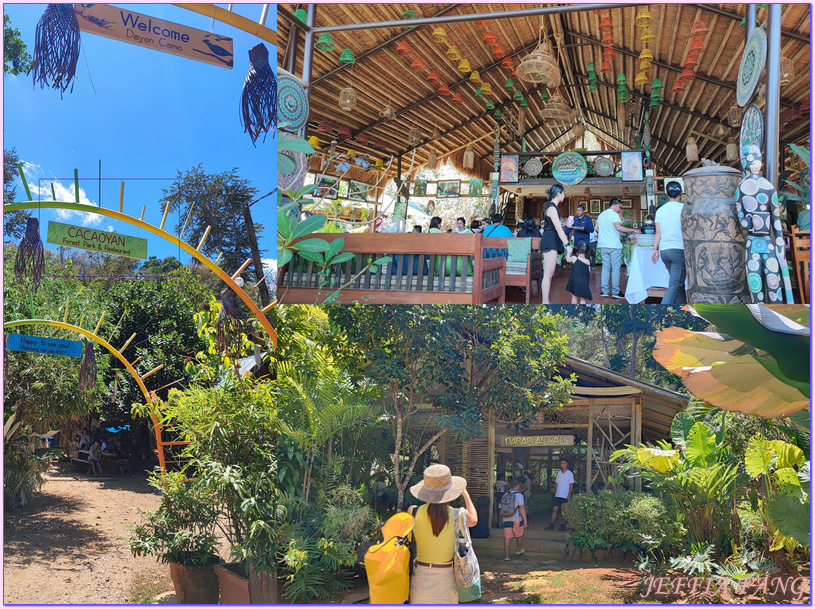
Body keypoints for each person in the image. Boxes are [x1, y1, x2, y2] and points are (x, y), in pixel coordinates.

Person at [407, 464, 477, 605]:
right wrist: (465, 494)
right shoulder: (458, 515)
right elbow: (474, 520)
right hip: (446, 578)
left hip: (420, 576)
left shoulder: (412, 512)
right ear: (450, 491)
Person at [651, 181, 687, 304]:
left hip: (665, 251)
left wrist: (655, 249)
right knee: (674, 285)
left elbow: (658, 232)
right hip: (679, 250)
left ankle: (684, 310)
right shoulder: (684, 209)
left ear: (667, 194)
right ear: (681, 193)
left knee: (679, 284)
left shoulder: (660, 210)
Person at [596, 198, 639, 298]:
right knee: (615, 269)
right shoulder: (614, 215)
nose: (620, 209)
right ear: (614, 205)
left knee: (605, 268)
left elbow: (596, 228)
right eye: (619, 207)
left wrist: (604, 235)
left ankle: (605, 291)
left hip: (603, 245)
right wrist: (633, 230)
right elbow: (619, 228)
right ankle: (616, 292)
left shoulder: (601, 214)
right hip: (614, 245)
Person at [540, 184, 572, 304]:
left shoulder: (553, 207)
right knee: (548, 274)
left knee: (549, 273)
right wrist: (567, 245)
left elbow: (557, 226)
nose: (564, 195)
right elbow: (558, 229)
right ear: (559, 193)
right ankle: (545, 302)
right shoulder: (552, 208)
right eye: (563, 193)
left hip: (552, 240)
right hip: (550, 241)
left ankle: (546, 301)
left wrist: (565, 225)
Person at [500, 477, 528, 561]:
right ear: (517, 486)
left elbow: (501, 508)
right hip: (517, 519)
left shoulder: (505, 495)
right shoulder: (519, 495)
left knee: (507, 538)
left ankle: (507, 556)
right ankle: (518, 550)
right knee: (520, 535)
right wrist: (525, 521)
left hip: (506, 519)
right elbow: (522, 509)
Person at [545, 460, 574, 531]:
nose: (562, 465)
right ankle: (552, 524)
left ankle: (563, 525)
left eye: (563, 463)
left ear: (566, 464)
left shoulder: (570, 473)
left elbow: (571, 485)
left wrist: (569, 495)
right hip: (558, 494)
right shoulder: (559, 473)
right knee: (554, 509)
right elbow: (556, 484)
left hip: (565, 495)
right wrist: (555, 492)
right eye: (561, 463)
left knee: (563, 510)